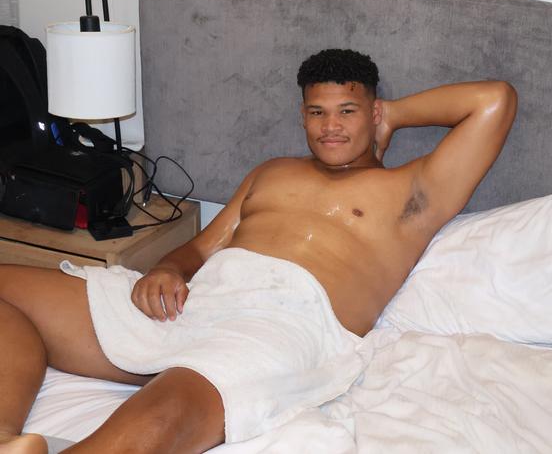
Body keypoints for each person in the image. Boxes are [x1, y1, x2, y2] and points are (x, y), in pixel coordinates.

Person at [0, 48, 517, 454]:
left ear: (373, 112)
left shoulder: (413, 191)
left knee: (163, 414)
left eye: (348, 111)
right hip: (199, 302)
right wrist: (166, 268)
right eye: (317, 112)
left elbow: (494, 100)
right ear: (302, 116)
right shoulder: (274, 172)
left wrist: (394, 115)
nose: (331, 127)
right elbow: (203, 247)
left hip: (279, 327)